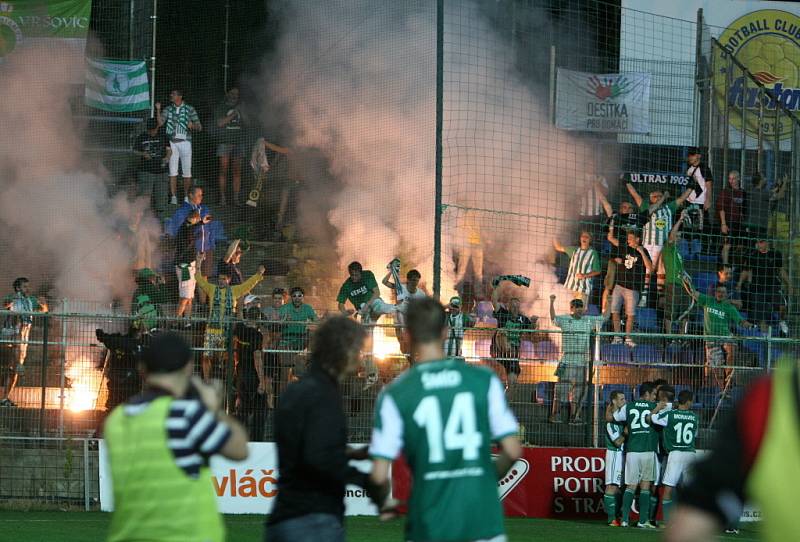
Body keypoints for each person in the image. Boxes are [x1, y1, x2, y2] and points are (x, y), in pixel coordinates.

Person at [368, 298, 522, 542]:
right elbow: (513, 450)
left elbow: (378, 475)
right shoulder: (484, 380)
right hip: (483, 522)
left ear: (407, 335)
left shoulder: (394, 393)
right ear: (446, 331)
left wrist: (386, 501)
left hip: (430, 524)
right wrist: (481, 476)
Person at [104, 332, 248, 542]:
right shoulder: (185, 414)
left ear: (143, 369)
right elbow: (239, 449)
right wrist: (213, 408)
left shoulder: (118, 418)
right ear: (189, 367)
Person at [268, 316, 384, 542]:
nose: (360, 356)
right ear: (344, 350)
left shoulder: (296, 390)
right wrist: (365, 481)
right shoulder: (324, 395)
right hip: (314, 520)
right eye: (358, 349)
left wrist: (350, 451)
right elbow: (318, 458)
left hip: (283, 516)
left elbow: (306, 444)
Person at [664, 363, 799, 542]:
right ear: (689, 401)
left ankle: (658, 521)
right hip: (688, 450)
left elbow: (689, 528)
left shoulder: (773, 397)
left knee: (672, 490)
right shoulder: (772, 397)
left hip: (674, 452)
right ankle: (732, 528)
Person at [196, 261, 265, 381]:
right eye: (219, 279)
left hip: (227, 331)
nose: (220, 281)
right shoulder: (212, 289)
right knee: (206, 356)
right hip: (212, 329)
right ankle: (206, 381)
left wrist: (258, 275)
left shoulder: (235, 290)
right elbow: (199, 280)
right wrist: (198, 263)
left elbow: (248, 285)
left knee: (230, 358)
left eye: (223, 279)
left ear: (228, 279)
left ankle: (230, 381)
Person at [625, 183, 691, 306]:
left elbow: (682, 198)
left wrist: (691, 187)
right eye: (655, 196)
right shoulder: (645, 207)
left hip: (663, 245)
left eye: (659, 196)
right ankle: (643, 296)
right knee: (647, 271)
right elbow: (635, 194)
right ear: (650, 198)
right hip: (648, 244)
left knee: (661, 271)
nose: (658, 198)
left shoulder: (669, 208)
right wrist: (627, 182)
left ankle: (661, 297)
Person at [606, 381, 658, 529]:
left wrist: (608, 409)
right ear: (646, 394)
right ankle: (642, 521)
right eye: (652, 395)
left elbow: (611, 418)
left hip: (632, 451)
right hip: (647, 449)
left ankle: (624, 520)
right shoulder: (653, 407)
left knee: (630, 486)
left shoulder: (629, 407)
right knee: (645, 486)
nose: (653, 398)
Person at [549, 295, 604, 424]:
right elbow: (553, 318)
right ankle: (554, 415)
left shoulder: (588, 320)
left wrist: (609, 302)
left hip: (582, 362)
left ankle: (575, 417)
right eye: (577, 307)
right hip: (566, 360)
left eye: (581, 307)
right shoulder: (564, 319)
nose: (579, 309)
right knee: (561, 389)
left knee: (579, 390)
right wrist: (551, 302)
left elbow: (604, 317)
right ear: (571, 308)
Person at [685, 282, 753, 388]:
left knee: (732, 348)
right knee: (717, 367)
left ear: (726, 294)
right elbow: (692, 292)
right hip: (711, 338)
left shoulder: (729, 307)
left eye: (723, 292)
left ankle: (729, 378)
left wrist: (749, 325)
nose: (721, 294)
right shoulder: (707, 300)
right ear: (715, 293)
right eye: (719, 292)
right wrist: (686, 281)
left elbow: (740, 321)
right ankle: (723, 389)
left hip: (725, 336)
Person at [166, 186, 226, 306]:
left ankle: (203, 307)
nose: (201, 197)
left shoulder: (204, 209)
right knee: (191, 282)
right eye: (198, 195)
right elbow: (181, 231)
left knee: (204, 279)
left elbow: (210, 227)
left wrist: (211, 243)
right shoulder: (182, 211)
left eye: (202, 195)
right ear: (190, 195)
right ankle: (189, 311)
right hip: (192, 252)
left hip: (206, 249)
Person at [651, 389, 698, 523]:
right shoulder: (694, 417)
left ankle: (667, 522)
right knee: (691, 490)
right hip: (690, 453)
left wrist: (657, 408)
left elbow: (652, 417)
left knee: (668, 488)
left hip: (675, 453)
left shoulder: (670, 415)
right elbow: (695, 435)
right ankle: (690, 521)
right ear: (688, 402)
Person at [597, 191, 647, 314]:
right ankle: (604, 315)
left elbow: (650, 209)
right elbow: (606, 205)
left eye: (630, 207)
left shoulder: (638, 220)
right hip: (616, 258)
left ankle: (625, 319)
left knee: (628, 292)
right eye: (624, 207)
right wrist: (596, 187)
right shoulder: (616, 217)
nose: (627, 209)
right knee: (609, 287)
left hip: (631, 261)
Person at [1, 277, 48, 407]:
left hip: (24, 335)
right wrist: (14, 299)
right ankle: (18, 365)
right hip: (11, 333)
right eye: (25, 286)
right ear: (18, 288)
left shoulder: (31, 300)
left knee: (13, 371)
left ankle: (5, 398)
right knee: (14, 360)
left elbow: (43, 310)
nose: (28, 289)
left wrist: (43, 304)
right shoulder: (13, 297)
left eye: (28, 286)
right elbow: (5, 304)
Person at [490, 277, 536, 398]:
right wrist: (496, 288)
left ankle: (504, 404)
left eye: (517, 306)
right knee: (502, 331)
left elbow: (531, 330)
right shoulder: (503, 313)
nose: (515, 308)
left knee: (512, 384)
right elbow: (494, 300)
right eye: (512, 306)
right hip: (499, 350)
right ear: (509, 306)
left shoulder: (522, 318)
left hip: (512, 355)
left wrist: (534, 322)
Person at [607, 227, 652, 347]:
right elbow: (610, 238)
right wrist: (612, 225)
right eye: (628, 238)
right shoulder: (624, 247)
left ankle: (627, 337)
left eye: (631, 238)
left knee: (630, 314)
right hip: (619, 285)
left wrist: (641, 251)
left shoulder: (644, 251)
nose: (628, 240)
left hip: (633, 289)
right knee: (614, 311)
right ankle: (617, 336)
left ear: (637, 239)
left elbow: (650, 268)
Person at [156, 89, 202, 204]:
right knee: (173, 171)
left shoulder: (190, 109)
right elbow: (160, 123)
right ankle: (173, 197)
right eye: (171, 94)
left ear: (180, 96)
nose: (171, 95)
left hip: (186, 142)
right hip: (172, 142)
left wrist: (193, 125)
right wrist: (158, 110)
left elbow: (199, 127)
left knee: (187, 172)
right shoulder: (168, 109)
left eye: (174, 94)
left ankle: (186, 197)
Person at [738, 238, 791, 335]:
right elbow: (746, 270)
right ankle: (764, 338)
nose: (759, 244)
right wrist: (739, 283)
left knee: (782, 307)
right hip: (757, 288)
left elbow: (781, 270)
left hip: (773, 286)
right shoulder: (752, 255)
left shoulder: (775, 254)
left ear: (767, 243)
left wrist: (789, 284)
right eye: (757, 242)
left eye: (761, 242)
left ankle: (782, 322)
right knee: (761, 315)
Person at [95, 326, 145, 428]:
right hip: (132, 385)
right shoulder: (140, 345)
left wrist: (101, 334)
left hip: (116, 383)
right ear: (138, 333)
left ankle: (103, 436)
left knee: (112, 410)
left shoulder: (118, 340)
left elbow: (103, 338)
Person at [233, 307, 269, 441]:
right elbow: (257, 357)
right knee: (260, 410)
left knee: (243, 409)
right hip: (252, 375)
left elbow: (239, 319)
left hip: (240, 374)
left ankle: (240, 439)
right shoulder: (256, 335)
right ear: (258, 319)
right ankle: (257, 440)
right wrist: (262, 381)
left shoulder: (240, 329)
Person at [276, 286, 318, 392]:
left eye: (300, 296)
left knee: (312, 333)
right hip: (286, 341)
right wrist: (284, 321)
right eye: (294, 296)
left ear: (303, 297)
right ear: (291, 297)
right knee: (285, 375)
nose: (297, 298)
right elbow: (277, 323)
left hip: (301, 339)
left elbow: (317, 322)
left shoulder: (308, 308)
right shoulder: (285, 308)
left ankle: (310, 358)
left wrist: (319, 321)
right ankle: (283, 401)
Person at [662, 215, 694, 335]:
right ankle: (669, 336)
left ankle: (683, 336)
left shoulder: (678, 251)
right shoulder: (668, 248)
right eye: (677, 235)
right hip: (673, 284)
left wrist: (687, 278)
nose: (678, 238)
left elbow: (681, 269)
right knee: (670, 311)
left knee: (686, 311)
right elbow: (671, 236)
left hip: (684, 285)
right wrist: (680, 219)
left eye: (680, 236)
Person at [132, 118, 171, 216]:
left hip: (161, 172)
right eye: (149, 130)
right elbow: (134, 151)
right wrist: (142, 153)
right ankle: (143, 221)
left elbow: (169, 150)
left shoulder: (163, 136)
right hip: (146, 172)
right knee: (144, 199)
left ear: (157, 127)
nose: (151, 132)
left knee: (161, 198)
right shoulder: (142, 137)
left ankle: (159, 223)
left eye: (153, 129)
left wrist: (167, 158)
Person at [214, 87, 246, 206]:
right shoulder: (222, 107)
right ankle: (222, 198)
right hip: (225, 142)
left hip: (239, 143)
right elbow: (220, 123)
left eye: (236, 94)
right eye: (232, 93)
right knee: (223, 170)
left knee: (237, 171)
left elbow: (247, 123)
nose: (234, 96)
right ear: (227, 94)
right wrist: (233, 114)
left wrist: (243, 112)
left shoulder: (241, 108)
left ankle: (236, 199)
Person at [553, 231, 601, 305]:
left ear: (590, 240)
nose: (584, 238)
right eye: (583, 236)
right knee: (566, 310)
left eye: (587, 237)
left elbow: (597, 271)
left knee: (578, 313)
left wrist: (584, 275)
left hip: (582, 290)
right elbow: (558, 247)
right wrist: (554, 233)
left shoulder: (593, 253)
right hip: (569, 287)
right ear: (580, 238)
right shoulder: (574, 250)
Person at [603, 390, 627, 527]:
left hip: (623, 455)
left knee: (619, 488)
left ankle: (617, 516)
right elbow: (617, 442)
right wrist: (625, 433)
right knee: (611, 486)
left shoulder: (620, 418)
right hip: (614, 454)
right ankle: (611, 519)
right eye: (622, 399)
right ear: (614, 401)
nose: (625, 402)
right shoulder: (610, 422)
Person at [717, 170, 746, 266]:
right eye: (729, 179)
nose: (731, 181)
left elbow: (744, 209)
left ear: (738, 179)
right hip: (729, 221)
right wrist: (723, 223)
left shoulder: (742, 192)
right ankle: (725, 265)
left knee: (739, 245)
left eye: (733, 179)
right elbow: (721, 209)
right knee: (727, 244)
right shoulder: (726, 192)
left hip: (739, 223)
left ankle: (735, 265)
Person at [685, 147, 714, 236]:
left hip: (700, 202)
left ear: (699, 156)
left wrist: (708, 199)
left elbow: (709, 184)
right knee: (688, 226)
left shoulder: (704, 168)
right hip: (689, 202)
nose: (690, 157)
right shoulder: (689, 169)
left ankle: (701, 248)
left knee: (701, 228)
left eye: (693, 155)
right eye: (689, 155)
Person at [131, 268, 167, 332]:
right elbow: (163, 299)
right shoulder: (150, 288)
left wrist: (135, 324)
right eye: (152, 278)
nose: (153, 280)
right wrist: (162, 285)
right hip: (152, 322)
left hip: (139, 323)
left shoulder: (137, 291)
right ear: (147, 278)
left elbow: (133, 309)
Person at [744, 171, 771, 242]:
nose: (765, 179)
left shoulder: (750, 191)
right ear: (760, 181)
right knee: (760, 246)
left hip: (750, 223)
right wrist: (784, 184)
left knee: (751, 245)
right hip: (760, 224)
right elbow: (779, 195)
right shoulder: (763, 193)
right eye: (764, 177)